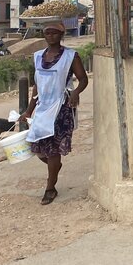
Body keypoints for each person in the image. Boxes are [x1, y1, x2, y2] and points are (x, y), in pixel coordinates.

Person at [18, 21, 88, 205]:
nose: (51, 36)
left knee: (53, 149)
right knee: (38, 148)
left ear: (62, 35)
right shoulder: (38, 56)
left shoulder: (71, 56)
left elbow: (83, 79)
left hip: (61, 108)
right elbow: (37, 86)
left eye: (55, 33)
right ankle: (54, 165)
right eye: (47, 33)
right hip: (43, 109)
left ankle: (50, 188)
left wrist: (75, 92)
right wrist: (29, 110)